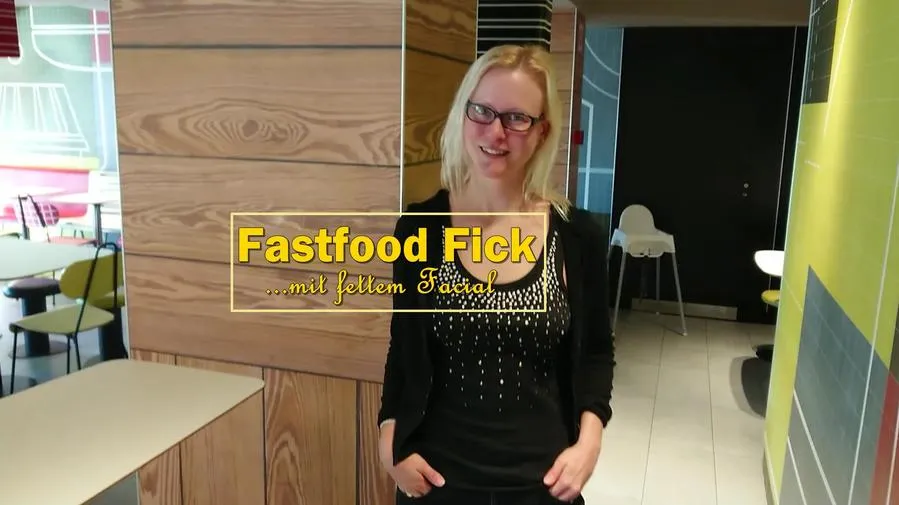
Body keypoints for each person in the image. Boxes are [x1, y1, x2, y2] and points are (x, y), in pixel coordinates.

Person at [377, 44, 615, 505]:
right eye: (482, 111)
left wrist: (590, 442)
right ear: (463, 113)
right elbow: (403, 350)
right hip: (435, 481)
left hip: (542, 484)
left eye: (517, 118)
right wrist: (389, 440)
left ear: (542, 131)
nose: (495, 132)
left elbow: (596, 355)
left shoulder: (576, 236)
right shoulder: (420, 227)